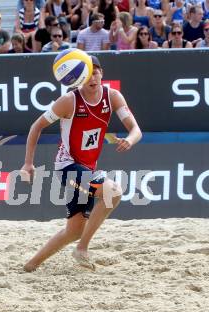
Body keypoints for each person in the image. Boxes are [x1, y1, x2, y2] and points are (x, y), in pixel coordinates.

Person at [21, 55, 142, 272]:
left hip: (88, 168)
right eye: (87, 74)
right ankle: (82, 249)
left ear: (102, 73)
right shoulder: (69, 100)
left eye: (96, 72)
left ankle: (31, 265)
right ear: (78, 78)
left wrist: (130, 140)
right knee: (112, 192)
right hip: (67, 166)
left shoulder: (112, 96)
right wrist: (28, 163)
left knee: (74, 230)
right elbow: (35, 127)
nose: (92, 77)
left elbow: (136, 129)